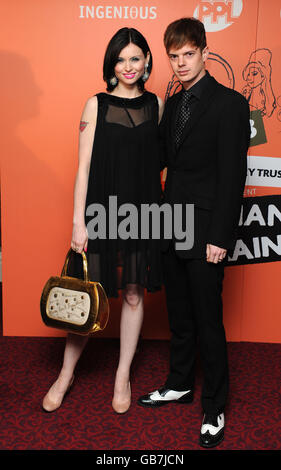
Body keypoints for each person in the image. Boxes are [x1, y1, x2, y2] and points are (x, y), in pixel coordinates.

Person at [138, 18, 250, 448]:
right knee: (180, 317)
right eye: (174, 57)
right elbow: (165, 157)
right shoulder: (173, 100)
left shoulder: (230, 104)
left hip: (206, 230)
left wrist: (221, 237)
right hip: (172, 225)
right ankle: (180, 383)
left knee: (208, 321)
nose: (181, 63)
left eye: (188, 54)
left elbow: (232, 177)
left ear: (204, 51)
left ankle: (215, 405)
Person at [42, 27, 164, 414]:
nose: (128, 66)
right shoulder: (95, 105)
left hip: (143, 215)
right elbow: (83, 169)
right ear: (112, 64)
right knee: (86, 296)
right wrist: (79, 222)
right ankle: (65, 374)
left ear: (146, 61)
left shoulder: (157, 104)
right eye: (121, 59)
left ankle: (122, 375)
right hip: (100, 214)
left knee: (132, 293)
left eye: (135, 58)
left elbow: (162, 165)